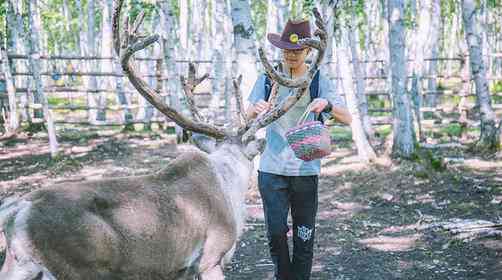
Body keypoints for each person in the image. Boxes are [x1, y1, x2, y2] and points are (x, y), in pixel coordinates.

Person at [246, 19, 352, 280]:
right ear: (280, 50)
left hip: (305, 170)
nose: (291, 55)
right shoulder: (268, 78)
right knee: (276, 233)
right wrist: (255, 109)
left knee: (305, 235)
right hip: (271, 171)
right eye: (287, 51)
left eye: (297, 51)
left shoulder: (317, 79)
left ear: (308, 52)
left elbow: (347, 118)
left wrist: (325, 103)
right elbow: (246, 115)